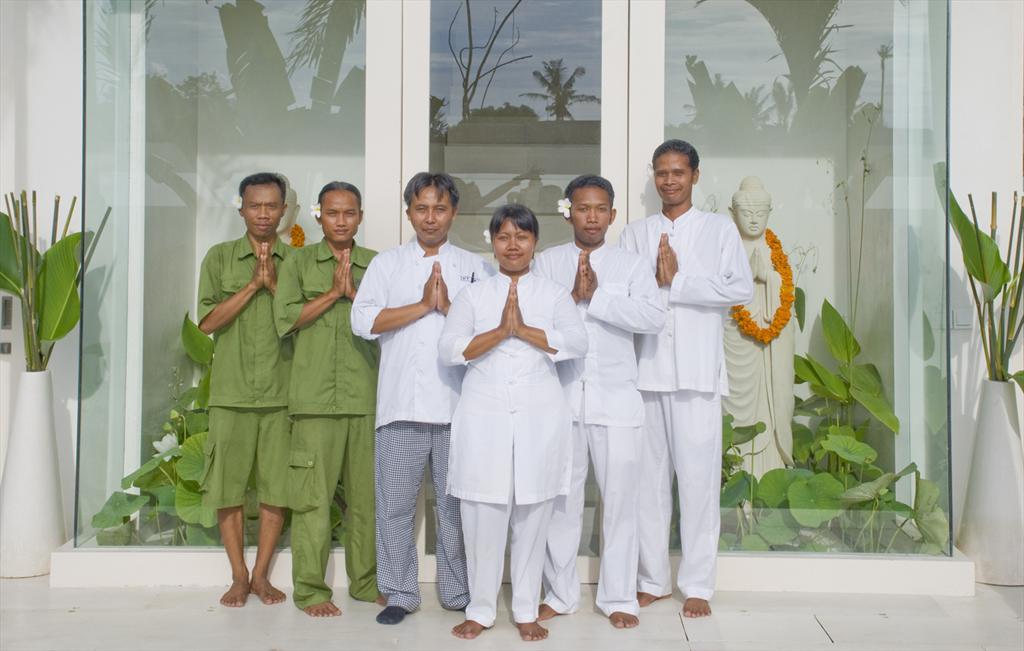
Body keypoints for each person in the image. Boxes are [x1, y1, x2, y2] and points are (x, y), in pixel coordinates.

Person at [440, 204, 588, 642]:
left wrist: (524, 330)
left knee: (533, 513)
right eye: (504, 236)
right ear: (492, 243)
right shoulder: (472, 296)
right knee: (481, 515)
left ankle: (526, 609)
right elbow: (449, 349)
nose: (513, 245)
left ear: (534, 242)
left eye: (521, 237)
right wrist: (499, 332)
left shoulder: (555, 295)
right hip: (483, 415)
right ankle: (481, 609)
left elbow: (578, 342)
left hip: (538, 416)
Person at [351, 172, 493, 625]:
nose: (430, 218)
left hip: (459, 408)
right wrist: (421, 305)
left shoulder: (477, 267)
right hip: (400, 407)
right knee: (394, 507)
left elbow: (491, 332)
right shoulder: (387, 264)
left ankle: (458, 592)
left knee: (455, 508)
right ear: (408, 212)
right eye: (421, 209)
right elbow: (362, 320)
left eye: (440, 209)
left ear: (454, 212)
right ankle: (399, 593)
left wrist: (448, 306)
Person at [620, 140, 754, 618]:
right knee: (647, 486)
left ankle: (697, 584)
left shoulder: (719, 230)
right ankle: (652, 580)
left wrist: (677, 282)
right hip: (647, 374)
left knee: (698, 484)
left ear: (695, 175)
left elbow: (739, 288)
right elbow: (626, 294)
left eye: (678, 172)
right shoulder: (635, 234)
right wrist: (656, 287)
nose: (669, 180)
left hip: (697, 376)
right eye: (661, 172)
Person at [533, 175, 665, 628]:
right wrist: (572, 299)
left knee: (621, 502)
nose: (592, 217)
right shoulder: (547, 263)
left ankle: (619, 597)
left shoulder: (632, 265)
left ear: (612, 214)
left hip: (617, 400)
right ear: (568, 211)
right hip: (562, 400)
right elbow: (532, 322)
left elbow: (653, 317)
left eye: (600, 209)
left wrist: (599, 297)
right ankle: (560, 594)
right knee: (561, 504)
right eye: (583, 208)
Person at [273, 181, 381, 617]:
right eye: (332, 213)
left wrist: (356, 296)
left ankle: (366, 583)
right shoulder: (297, 262)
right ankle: (311, 590)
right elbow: (285, 319)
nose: (341, 221)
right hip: (314, 401)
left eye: (349, 213)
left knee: (366, 501)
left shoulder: (377, 265)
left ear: (360, 217)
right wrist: (334, 294)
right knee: (312, 501)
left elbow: (391, 324)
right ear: (319, 215)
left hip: (366, 398)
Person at [197, 172, 293, 608]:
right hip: (231, 394)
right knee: (227, 489)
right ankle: (237, 575)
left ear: (284, 210)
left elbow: (302, 322)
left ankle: (261, 575)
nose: (263, 214)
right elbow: (207, 322)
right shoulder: (219, 258)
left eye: (271, 205)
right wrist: (253, 285)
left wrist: (275, 285)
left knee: (277, 489)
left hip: (281, 393)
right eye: (255, 205)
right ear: (241, 209)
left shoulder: (297, 262)